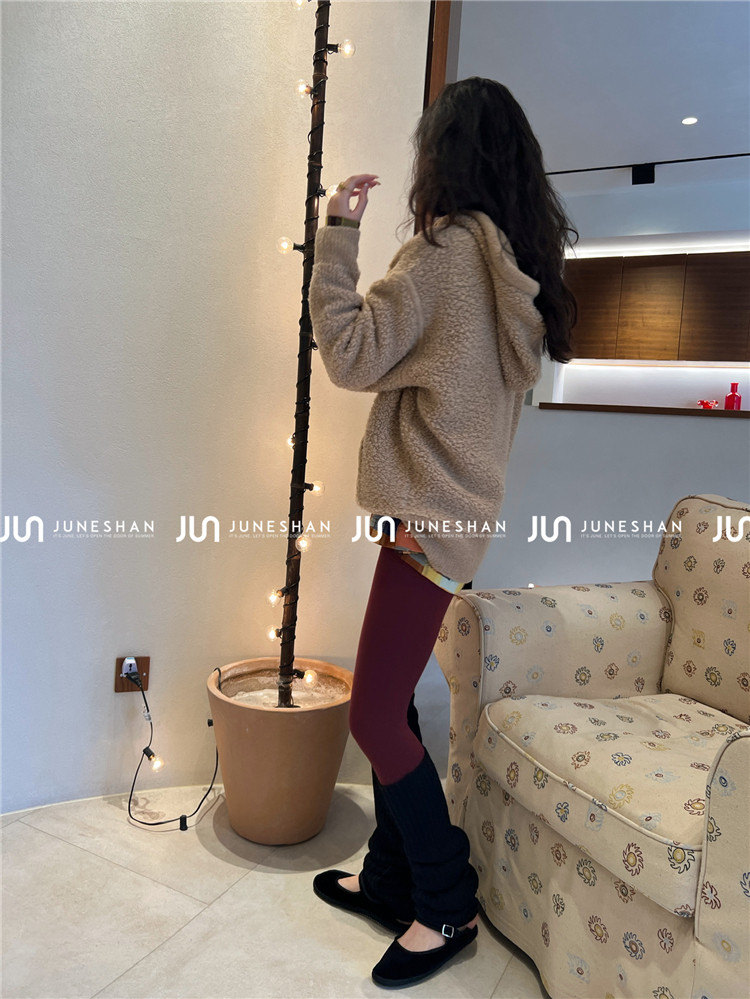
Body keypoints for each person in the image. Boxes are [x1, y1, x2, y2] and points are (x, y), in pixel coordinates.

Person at [308, 77, 577, 989]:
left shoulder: (444, 256)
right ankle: (392, 875)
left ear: (443, 156)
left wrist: (337, 233)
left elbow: (350, 354)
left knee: (373, 714)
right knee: (394, 702)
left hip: (425, 523)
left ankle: (446, 900)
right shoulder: (512, 271)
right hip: (456, 524)